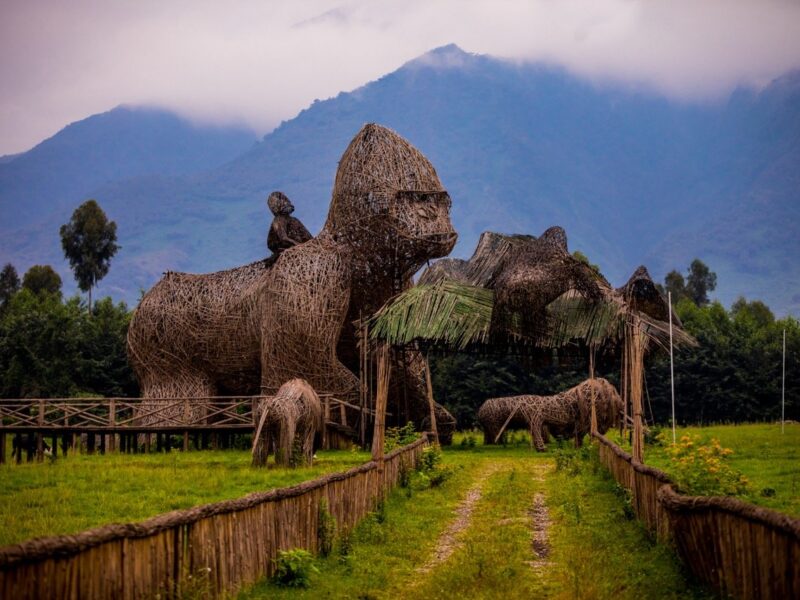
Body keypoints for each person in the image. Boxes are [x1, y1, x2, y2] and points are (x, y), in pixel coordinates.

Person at [266, 191, 312, 255]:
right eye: (282, 199)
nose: (287, 201)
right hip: (290, 251)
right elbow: (283, 238)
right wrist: (300, 246)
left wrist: (311, 246)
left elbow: (308, 237)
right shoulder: (279, 220)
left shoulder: (294, 220)